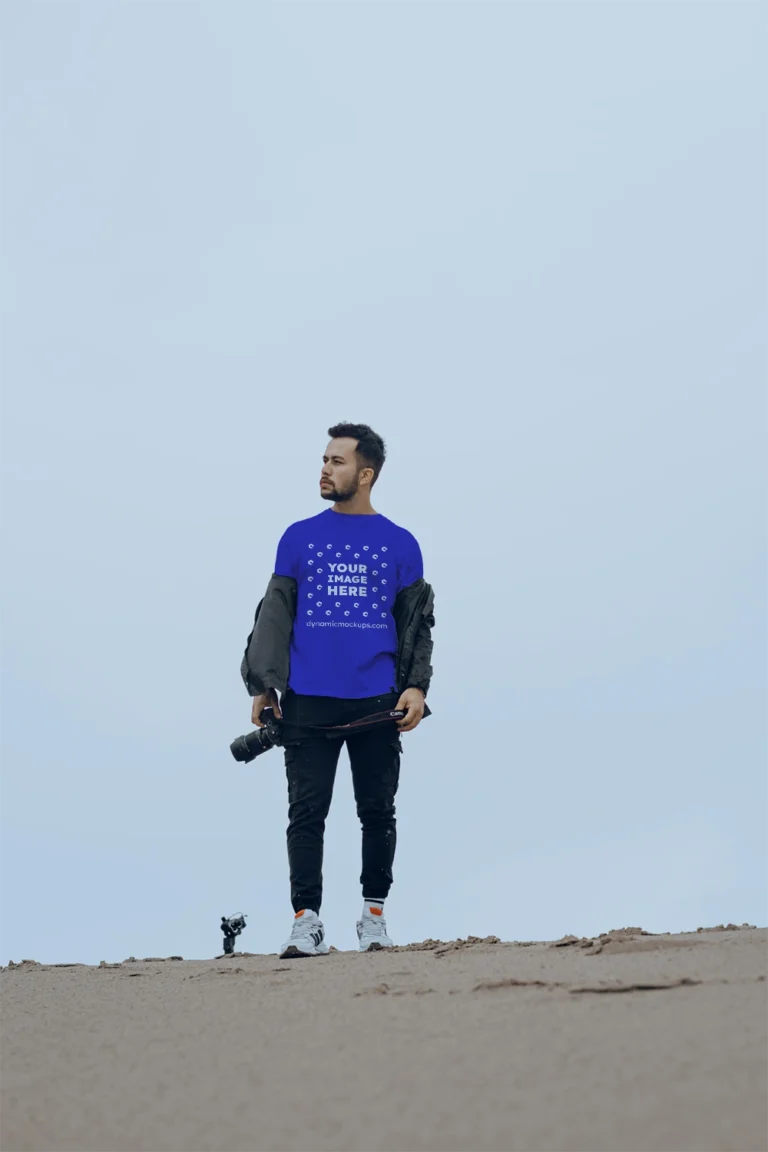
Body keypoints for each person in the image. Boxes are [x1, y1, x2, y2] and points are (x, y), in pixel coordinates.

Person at [241, 423, 435, 958]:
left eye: (338, 461)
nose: (325, 469)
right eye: (324, 459)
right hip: (307, 699)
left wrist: (416, 685)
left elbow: (417, 624)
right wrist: (265, 686)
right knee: (306, 813)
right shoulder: (298, 536)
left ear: (365, 474)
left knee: (377, 811)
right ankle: (307, 922)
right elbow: (274, 617)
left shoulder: (401, 544)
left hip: (377, 702)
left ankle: (374, 919)